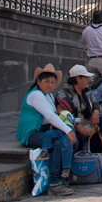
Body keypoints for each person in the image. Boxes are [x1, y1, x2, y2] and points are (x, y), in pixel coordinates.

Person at [16, 64, 76, 196]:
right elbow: (50, 115)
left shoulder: (48, 95)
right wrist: (68, 131)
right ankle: (55, 183)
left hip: (42, 128)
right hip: (31, 133)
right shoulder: (36, 94)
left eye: (53, 82)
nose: (50, 85)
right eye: (46, 81)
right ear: (38, 81)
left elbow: (53, 114)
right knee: (57, 143)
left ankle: (64, 175)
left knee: (69, 139)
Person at [56, 65, 101, 152]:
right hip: (71, 125)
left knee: (96, 135)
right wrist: (78, 127)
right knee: (80, 139)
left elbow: (95, 103)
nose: (87, 80)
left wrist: (96, 112)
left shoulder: (86, 91)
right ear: (78, 79)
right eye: (85, 78)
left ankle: (97, 159)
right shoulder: (65, 92)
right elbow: (63, 113)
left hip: (85, 122)